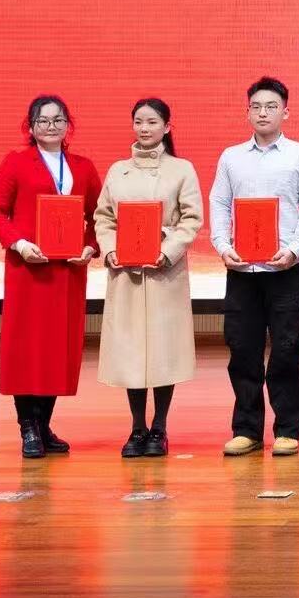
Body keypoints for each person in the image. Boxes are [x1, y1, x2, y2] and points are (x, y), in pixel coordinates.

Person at [208, 76, 299, 458]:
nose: (263, 113)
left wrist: (294, 249)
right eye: (256, 107)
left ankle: (288, 429)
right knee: (242, 349)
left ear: (285, 112)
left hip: (284, 269)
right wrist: (223, 246)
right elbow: (219, 203)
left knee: (287, 350)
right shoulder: (231, 157)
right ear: (247, 112)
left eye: (271, 106)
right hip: (242, 271)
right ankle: (247, 429)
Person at [0, 95, 103, 459]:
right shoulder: (16, 162)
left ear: (68, 125)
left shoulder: (83, 167)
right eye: (43, 120)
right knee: (26, 348)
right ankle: (28, 427)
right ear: (31, 126)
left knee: (56, 348)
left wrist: (90, 247)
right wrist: (19, 244)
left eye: (58, 120)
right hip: (29, 270)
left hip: (67, 273)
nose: (51, 126)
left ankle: (44, 424)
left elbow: (100, 216)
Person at [93, 98, 204, 458]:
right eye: (139, 121)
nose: (144, 128)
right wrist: (110, 249)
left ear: (167, 127)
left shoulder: (181, 169)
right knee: (131, 352)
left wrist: (166, 250)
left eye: (152, 122)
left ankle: (160, 427)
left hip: (163, 273)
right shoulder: (118, 171)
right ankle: (137, 427)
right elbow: (103, 217)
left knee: (163, 351)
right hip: (126, 273)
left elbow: (191, 219)